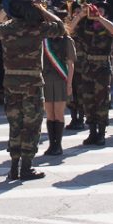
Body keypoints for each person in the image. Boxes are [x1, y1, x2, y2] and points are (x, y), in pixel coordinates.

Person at [0, 0, 66, 180]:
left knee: (15, 125)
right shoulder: (38, 27)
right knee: (31, 126)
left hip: (11, 83)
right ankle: (26, 168)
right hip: (32, 84)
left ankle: (13, 167)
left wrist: (8, 5)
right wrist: (42, 9)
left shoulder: (6, 29)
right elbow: (61, 27)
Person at [70, 2, 113, 146]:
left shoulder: (106, 26)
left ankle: (101, 133)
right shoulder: (86, 26)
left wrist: (100, 18)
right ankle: (92, 132)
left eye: (100, 10)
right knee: (88, 100)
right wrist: (80, 15)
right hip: (87, 67)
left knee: (102, 101)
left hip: (102, 68)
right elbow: (69, 30)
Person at [42, 14, 75, 156]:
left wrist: (69, 84)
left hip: (61, 79)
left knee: (59, 113)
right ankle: (51, 144)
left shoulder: (67, 40)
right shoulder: (43, 41)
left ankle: (58, 145)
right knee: (50, 114)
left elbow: (70, 64)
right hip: (46, 79)